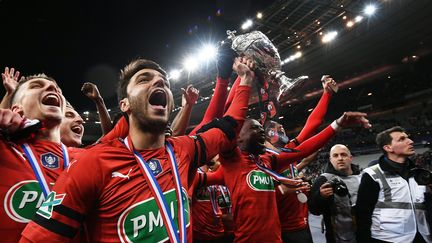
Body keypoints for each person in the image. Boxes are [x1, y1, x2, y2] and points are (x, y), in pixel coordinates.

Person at [20, 57, 254, 242]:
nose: (159, 82)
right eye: (144, 79)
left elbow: (228, 128)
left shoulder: (184, 150)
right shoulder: (92, 162)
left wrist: (244, 80)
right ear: (125, 104)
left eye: (164, 81)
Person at [216, 111, 370, 243]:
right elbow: (228, 119)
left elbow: (302, 151)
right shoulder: (232, 159)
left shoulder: (267, 161)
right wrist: (243, 80)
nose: (261, 130)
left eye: (262, 127)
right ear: (238, 137)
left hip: (280, 237)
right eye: (255, 128)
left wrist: (337, 125)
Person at [0, 74, 69, 242]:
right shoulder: (5, 151)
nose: (53, 89)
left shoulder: (88, 158)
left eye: (58, 90)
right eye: (36, 86)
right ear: (16, 109)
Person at [356, 126, 432, 243]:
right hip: (387, 239)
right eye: (402, 139)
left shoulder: (419, 173)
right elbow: (363, 214)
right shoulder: (372, 174)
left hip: (422, 237)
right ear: (388, 147)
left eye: (408, 138)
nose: (410, 141)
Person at [308, 144, 361, 243]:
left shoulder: (362, 177)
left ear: (350, 158)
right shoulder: (323, 180)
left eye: (343, 155)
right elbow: (314, 209)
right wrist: (321, 196)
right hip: (338, 237)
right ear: (331, 159)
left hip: (366, 234)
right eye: (335, 156)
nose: (340, 158)